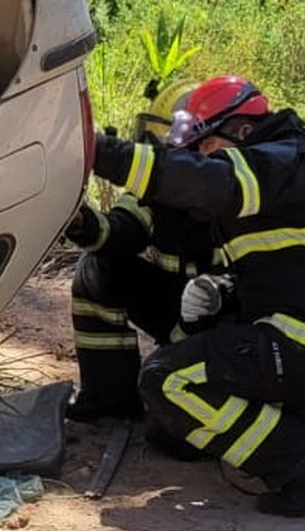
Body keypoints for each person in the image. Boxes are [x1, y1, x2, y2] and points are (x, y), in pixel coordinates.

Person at [90, 74, 305, 516]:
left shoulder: (277, 163)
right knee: (183, 419)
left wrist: (94, 152)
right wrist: (222, 293)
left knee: (167, 379)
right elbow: (296, 265)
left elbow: (204, 183)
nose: (202, 157)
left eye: (207, 147)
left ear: (242, 131)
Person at [65, 80, 227, 432]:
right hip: (179, 313)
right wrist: (78, 220)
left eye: (165, 148)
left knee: (173, 439)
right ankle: (109, 399)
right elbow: (118, 232)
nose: (156, 155)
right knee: (97, 271)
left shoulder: (247, 197)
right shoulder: (157, 194)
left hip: (232, 327)